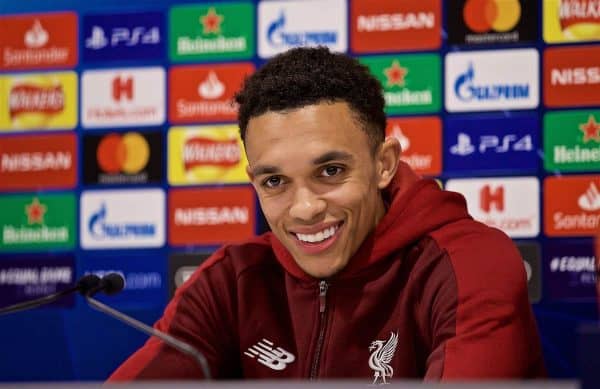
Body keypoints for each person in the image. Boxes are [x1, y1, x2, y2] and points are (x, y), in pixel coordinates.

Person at [109, 47, 545, 382]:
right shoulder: (232, 281)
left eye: (330, 171)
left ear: (384, 163)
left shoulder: (468, 262)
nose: (305, 209)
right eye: (275, 181)